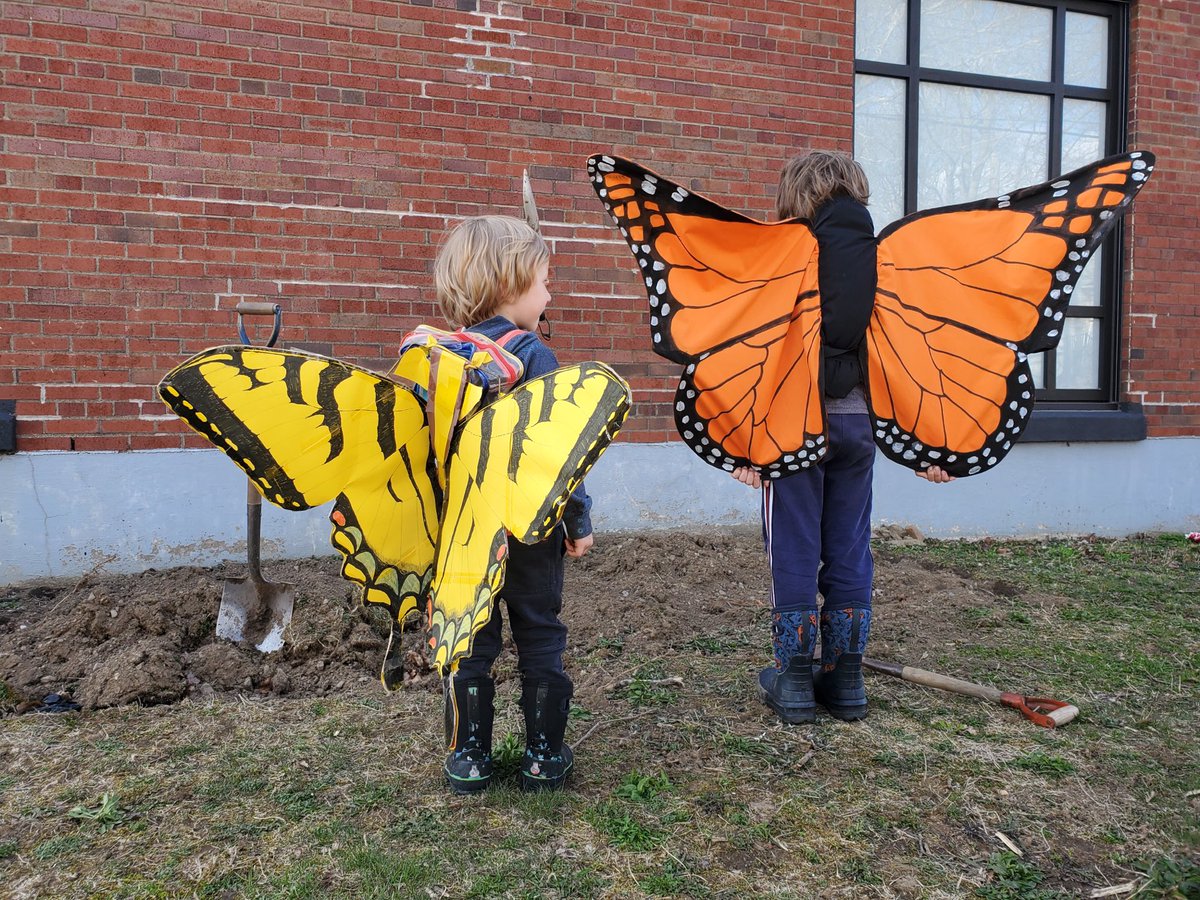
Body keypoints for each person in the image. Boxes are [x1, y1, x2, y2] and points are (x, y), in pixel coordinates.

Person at [733, 151, 953, 725]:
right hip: (859, 423)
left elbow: (758, 352)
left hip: (793, 425)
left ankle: (796, 680)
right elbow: (907, 350)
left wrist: (746, 445)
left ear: (793, 200)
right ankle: (847, 678)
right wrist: (928, 442)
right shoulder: (881, 261)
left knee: (794, 545)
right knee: (851, 544)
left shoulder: (785, 260)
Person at [433, 215, 593, 792]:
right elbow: (559, 453)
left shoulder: (438, 354)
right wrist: (577, 520)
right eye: (545, 282)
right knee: (540, 629)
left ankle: (469, 757)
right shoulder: (532, 354)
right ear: (511, 283)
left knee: (470, 633)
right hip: (529, 526)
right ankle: (544, 757)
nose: (550, 294)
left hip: (464, 531)